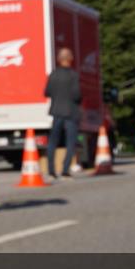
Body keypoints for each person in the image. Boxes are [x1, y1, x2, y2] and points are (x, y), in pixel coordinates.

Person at [45, 47, 82, 181]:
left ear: (59, 59)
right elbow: (77, 95)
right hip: (70, 111)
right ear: (70, 59)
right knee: (70, 142)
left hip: (56, 111)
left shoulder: (53, 74)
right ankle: (65, 170)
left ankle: (51, 171)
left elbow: (47, 92)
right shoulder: (73, 75)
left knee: (53, 141)